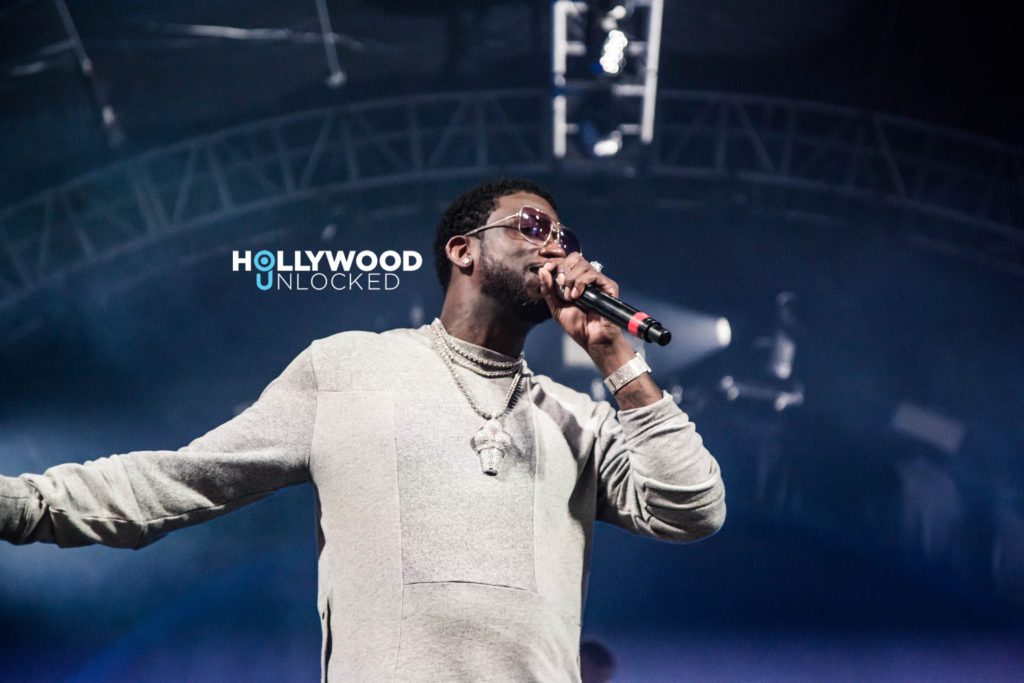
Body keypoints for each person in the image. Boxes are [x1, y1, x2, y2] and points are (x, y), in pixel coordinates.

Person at [0, 178, 726, 681]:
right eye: (531, 226)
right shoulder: (346, 369)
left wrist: (613, 352)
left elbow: (693, 507)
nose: (554, 245)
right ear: (462, 250)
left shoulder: (579, 420)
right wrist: (20, 504)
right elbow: (174, 483)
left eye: (564, 235)